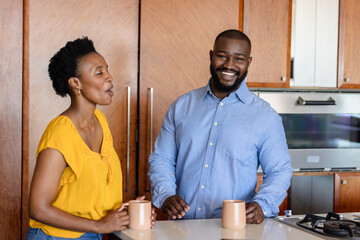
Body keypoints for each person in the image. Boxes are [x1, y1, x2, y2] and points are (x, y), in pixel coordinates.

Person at [148, 29, 293, 224]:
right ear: (211, 56)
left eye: (238, 59)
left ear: (248, 62)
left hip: (236, 228)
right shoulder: (181, 107)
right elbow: (161, 159)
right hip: (184, 227)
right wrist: (165, 194)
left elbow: (279, 171)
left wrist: (263, 204)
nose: (229, 65)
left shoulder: (265, 117)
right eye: (222, 56)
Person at [26, 37, 155, 240]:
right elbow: (38, 209)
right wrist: (99, 225)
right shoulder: (60, 132)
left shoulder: (100, 121)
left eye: (107, 70)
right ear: (75, 83)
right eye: (99, 72)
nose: (110, 77)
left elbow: (90, 195)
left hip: (92, 235)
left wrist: (128, 212)